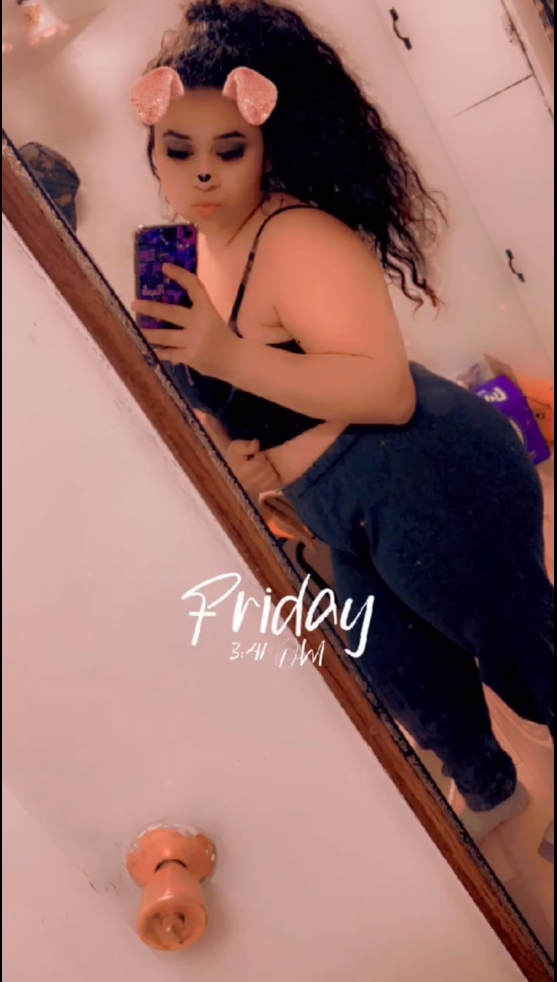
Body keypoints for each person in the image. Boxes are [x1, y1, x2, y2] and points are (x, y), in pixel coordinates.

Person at [131, 0, 554, 848]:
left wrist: (223, 353)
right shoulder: (194, 249)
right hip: (342, 506)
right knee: (403, 673)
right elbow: (235, 396)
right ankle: (489, 790)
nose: (201, 175)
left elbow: (384, 393)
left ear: (267, 146)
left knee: (523, 652)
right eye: (179, 150)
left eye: (228, 150)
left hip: (423, 476)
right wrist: (235, 454)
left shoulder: (298, 237)